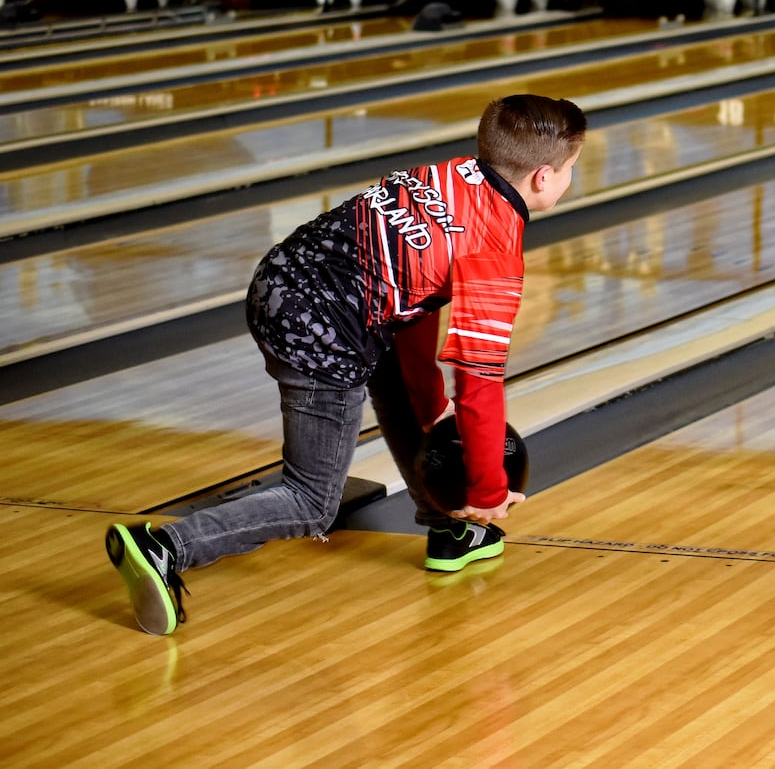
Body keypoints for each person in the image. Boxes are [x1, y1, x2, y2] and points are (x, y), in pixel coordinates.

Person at [105, 94, 586, 635]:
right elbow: (478, 383)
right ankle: (166, 546)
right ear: (543, 178)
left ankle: (447, 529)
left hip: (279, 279)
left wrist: (430, 414)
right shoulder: (494, 249)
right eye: (572, 168)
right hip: (320, 330)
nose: (572, 177)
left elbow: (410, 300)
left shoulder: (446, 177)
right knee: (312, 501)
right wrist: (487, 492)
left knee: (395, 378)